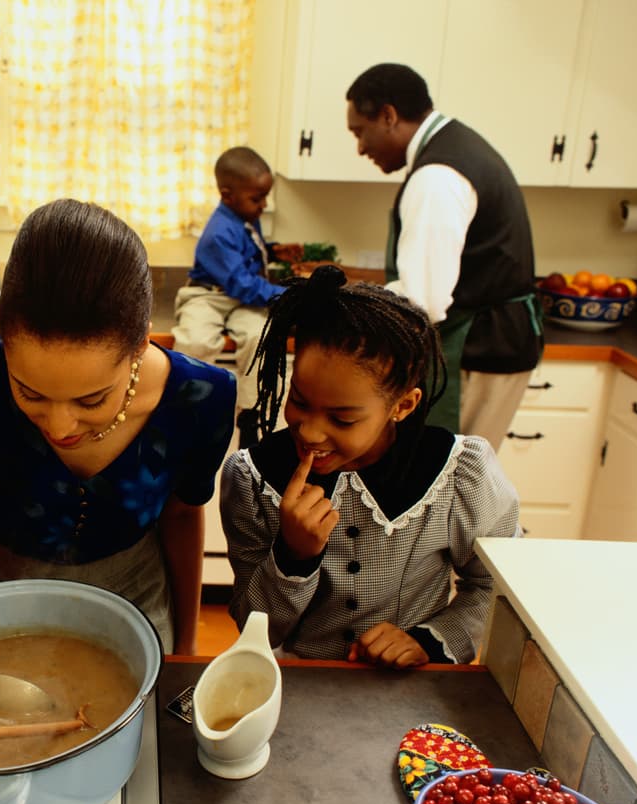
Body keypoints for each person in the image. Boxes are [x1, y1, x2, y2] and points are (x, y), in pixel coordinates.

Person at [0, 199, 236, 655]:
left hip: (137, 611)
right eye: (29, 393)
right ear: (5, 342)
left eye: (92, 400)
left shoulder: (200, 398)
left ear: (139, 345)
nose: (60, 425)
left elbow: (184, 515)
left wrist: (184, 648)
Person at [220, 266, 519, 667]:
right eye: (300, 401)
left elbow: (494, 587)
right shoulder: (252, 477)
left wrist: (431, 641)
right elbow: (255, 625)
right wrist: (293, 555)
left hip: (416, 685)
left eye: (342, 419)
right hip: (303, 681)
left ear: (403, 406)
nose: (309, 432)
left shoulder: (461, 472)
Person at [346, 63, 542, 450]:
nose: (361, 147)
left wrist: (354, 313)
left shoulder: (437, 176)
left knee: (455, 482)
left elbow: (425, 301)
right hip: (493, 341)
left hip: (477, 348)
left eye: (360, 132)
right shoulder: (456, 147)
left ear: (388, 116)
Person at [171, 146, 286, 436]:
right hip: (207, 296)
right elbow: (243, 284)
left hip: (239, 298)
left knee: (259, 336)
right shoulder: (218, 232)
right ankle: (185, 412)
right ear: (227, 195)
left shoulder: (246, 216)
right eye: (257, 198)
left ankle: (250, 413)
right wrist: (282, 296)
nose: (263, 205)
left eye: (265, 197)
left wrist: (274, 252)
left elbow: (246, 255)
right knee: (196, 341)